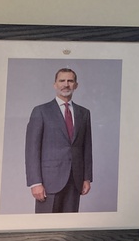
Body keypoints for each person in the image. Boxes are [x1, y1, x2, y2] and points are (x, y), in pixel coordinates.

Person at [25, 68, 93, 213]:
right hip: (48, 182)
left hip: (75, 180)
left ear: (76, 85)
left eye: (70, 81)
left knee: (69, 225)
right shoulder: (41, 111)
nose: (66, 84)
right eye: (62, 81)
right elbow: (32, 149)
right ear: (55, 84)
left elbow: (87, 148)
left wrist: (87, 178)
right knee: (45, 224)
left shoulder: (84, 113)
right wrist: (35, 182)